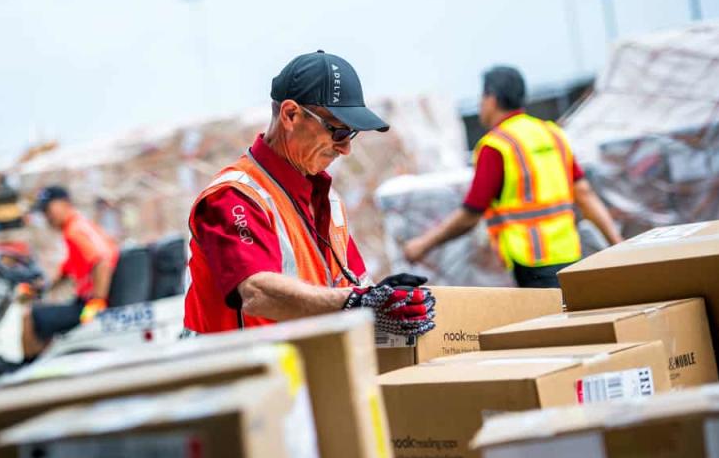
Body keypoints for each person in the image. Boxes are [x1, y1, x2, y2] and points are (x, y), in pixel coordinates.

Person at [184, 50, 436, 340]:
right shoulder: (233, 196)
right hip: (240, 380)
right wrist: (359, 303)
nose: (345, 148)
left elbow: (347, 288)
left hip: (302, 373)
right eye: (339, 131)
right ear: (290, 114)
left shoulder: (327, 200)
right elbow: (256, 292)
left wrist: (384, 298)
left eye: (351, 135)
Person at [403, 66, 623, 288]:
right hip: (569, 252)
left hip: (531, 261)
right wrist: (617, 243)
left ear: (492, 98)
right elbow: (584, 193)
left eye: (482, 97)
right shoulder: (552, 133)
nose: (480, 105)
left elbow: (471, 213)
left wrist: (423, 244)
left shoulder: (496, 146)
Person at [22, 185, 119, 359]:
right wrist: (41, 287)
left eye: (48, 209)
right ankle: (45, 359)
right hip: (85, 302)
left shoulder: (75, 231)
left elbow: (102, 262)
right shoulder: (79, 225)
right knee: (47, 312)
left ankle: (29, 364)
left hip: (88, 305)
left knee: (30, 315)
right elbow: (65, 271)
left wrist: (97, 302)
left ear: (65, 203)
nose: (46, 216)